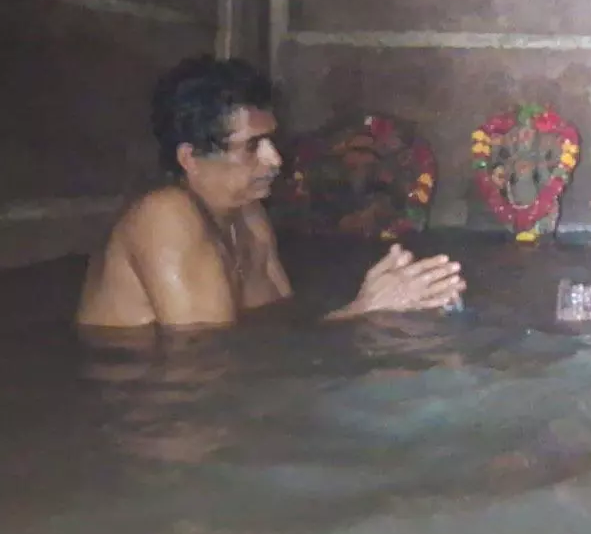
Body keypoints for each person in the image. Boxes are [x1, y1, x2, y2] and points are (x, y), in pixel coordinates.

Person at [75, 55, 465, 329]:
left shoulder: (248, 214)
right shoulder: (163, 216)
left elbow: (277, 331)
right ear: (190, 158)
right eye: (252, 146)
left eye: (272, 141)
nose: (276, 159)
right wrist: (363, 311)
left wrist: (398, 304)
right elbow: (204, 368)